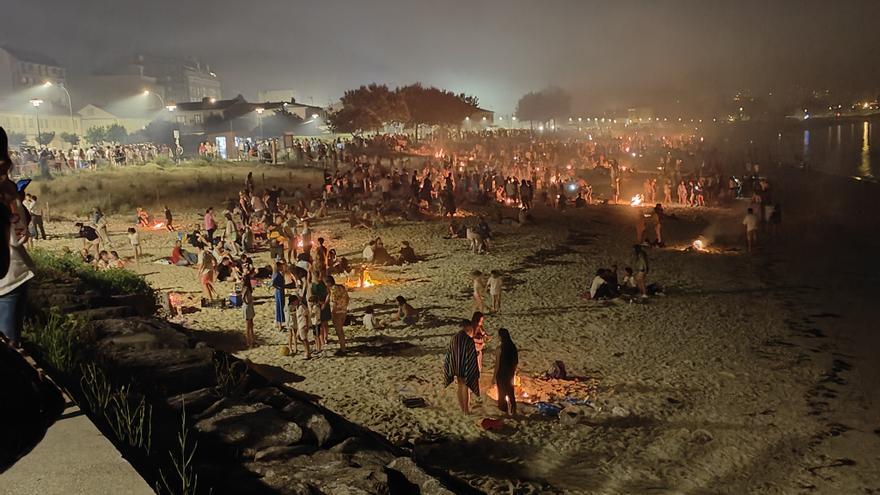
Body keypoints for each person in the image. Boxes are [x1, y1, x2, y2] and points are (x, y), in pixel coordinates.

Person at [0, 129, 35, 347]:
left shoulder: (7, 192)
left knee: (10, 352)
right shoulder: (8, 189)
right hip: (10, 280)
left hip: (8, 283)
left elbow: (19, 235)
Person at [443, 321, 480, 414]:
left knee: (460, 386)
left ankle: (462, 408)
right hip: (465, 367)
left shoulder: (454, 338)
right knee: (465, 387)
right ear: (469, 329)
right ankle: (466, 410)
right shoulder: (468, 340)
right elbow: (471, 355)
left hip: (456, 366)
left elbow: (450, 353)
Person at [493, 328, 519, 416]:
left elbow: (497, 364)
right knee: (510, 392)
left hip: (501, 374)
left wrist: (494, 376)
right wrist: (513, 372)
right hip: (510, 373)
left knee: (502, 393)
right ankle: (513, 411)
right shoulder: (512, 347)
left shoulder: (500, 349)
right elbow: (516, 362)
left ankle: (504, 411)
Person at [327, 275, 349, 353]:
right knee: (341, 331)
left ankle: (343, 349)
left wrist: (333, 313)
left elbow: (334, 303)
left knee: (339, 332)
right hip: (344, 310)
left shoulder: (333, 290)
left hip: (337, 312)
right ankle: (343, 347)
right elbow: (347, 298)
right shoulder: (341, 287)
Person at [287, 294, 311, 359]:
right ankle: (307, 350)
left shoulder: (301, 307)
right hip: (300, 324)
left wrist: (306, 325)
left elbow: (306, 315)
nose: (292, 304)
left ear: (296, 300)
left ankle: (307, 352)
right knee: (299, 337)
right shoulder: (298, 306)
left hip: (303, 324)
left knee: (304, 338)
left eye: (293, 302)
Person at [241, 271, 255, 348]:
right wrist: (246, 302)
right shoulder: (246, 288)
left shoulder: (247, 287)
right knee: (248, 325)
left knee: (251, 324)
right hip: (247, 306)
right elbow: (242, 297)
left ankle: (252, 340)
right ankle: (248, 342)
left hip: (249, 306)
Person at [271, 261, 286, 332]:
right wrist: (278, 288)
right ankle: (280, 324)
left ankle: (279, 323)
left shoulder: (276, 273)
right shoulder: (276, 274)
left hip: (280, 291)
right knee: (280, 307)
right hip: (279, 292)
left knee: (280, 306)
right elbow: (273, 283)